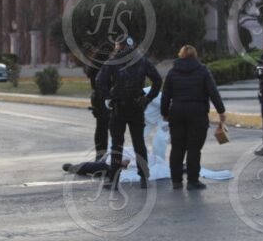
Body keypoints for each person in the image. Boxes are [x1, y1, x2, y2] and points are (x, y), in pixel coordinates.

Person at [96, 37, 162, 190]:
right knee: (139, 143)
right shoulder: (142, 60)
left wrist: (108, 97)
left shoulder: (113, 61)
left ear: (120, 46)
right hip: (137, 107)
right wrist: (147, 99)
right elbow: (157, 80)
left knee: (116, 145)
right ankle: (144, 177)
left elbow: (100, 81)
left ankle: (114, 180)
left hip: (119, 107)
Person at [161, 45, 226, 191]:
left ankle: (176, 181)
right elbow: (213, 92)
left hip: (177, 112)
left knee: (177, 147)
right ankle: (192, 181)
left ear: (180, 55)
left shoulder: (172, 72)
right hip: (197, 112)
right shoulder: (202, 71)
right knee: (194, 148)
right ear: (195, 55)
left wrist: (165, 113)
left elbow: (166, 96)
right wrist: (221, 111)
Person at [84, 45, 112, 162]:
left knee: (101, 127)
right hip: (106, 98)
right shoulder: (108, 66)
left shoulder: (93, 67)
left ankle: (100, 154)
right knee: (111, 127)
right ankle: (110, 155)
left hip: (96, 98)